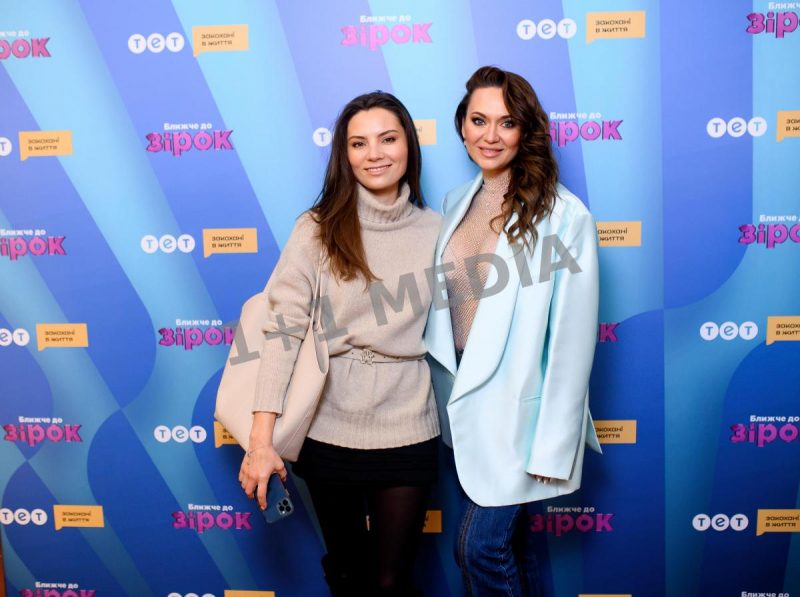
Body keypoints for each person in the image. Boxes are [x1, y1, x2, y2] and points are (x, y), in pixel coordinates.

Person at [239, 91, 441, 597]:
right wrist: (261, 441)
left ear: (409, 146)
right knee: (348, 574)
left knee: (392, 583)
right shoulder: (317, 228)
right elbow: (283, 330)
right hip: (329, 426)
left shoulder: (439, 231)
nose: (375, 154)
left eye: (387, 139)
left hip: (408, 420)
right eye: (358, 143)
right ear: (344, 155)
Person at [425, 66, 602, 596]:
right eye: (479, 120)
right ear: (462, 126)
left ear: (526, 130)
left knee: (478, 548)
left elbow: (571, 342)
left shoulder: (564, 217)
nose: (490, 135)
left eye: (506, 123)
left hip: (521, 419)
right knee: (512, 547)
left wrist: (553, 445)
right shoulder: (455, 202)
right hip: (463, 409)